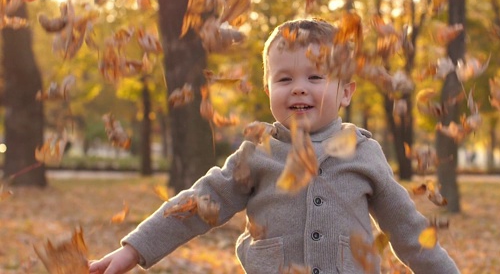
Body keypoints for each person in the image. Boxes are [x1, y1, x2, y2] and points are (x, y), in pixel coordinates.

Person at [89, 18, 459, 274]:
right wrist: (133, 250)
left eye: (315, 76)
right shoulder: (258, 153)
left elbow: (409, 231)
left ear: (345, 90)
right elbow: (199, 203)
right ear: (269, 90)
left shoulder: (364, 153)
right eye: (285, 78)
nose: (299, 87)